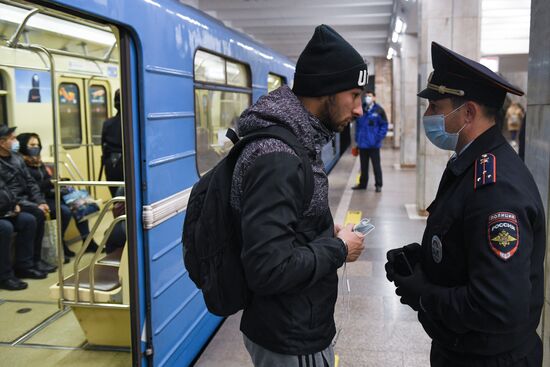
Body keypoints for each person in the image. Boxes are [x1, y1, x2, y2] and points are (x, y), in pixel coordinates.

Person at [385, 42, 545, 367]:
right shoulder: (471, 163)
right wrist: (424, 259)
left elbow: (497, 306)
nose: (427, 116)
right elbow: (465, 239)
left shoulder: (496, 188)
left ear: (468, 112)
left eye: (435, 107)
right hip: (464, 349)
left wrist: (423, 295)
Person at [230, 24, 366, 367]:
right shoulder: (279, 158)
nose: (360, 109)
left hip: (292, 324)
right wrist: (337, 248)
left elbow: (284, 231)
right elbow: (268, 267)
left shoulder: (297, 140)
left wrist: (321, 232)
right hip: (289, 334)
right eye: (355, 95)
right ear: (328, 91)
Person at [16, 133, 99, 260]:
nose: (36, 147)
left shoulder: (38, 161)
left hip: (49, 194)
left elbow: (47, 180)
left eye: (37, 144)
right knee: (64, 211)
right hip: (37, 199)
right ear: (23, 146)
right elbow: (31, 187)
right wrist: (49, 183)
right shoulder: (21, 163)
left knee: (79, 203)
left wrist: (58, 181)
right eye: (32, 145)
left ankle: (88, 240)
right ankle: (60, 243)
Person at [0, 125, 56, 274]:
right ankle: (23, 266)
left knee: (37, 213)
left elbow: (31, 183)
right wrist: (18, 204)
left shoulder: (16, 158)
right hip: (11, 203)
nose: (15, 141)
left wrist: (40, 201)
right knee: (31, 217)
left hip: (21, 201)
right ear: (2, 142)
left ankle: (33, 261)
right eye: (12, 138)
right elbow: (5, 192)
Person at [0, 174, 46, 290]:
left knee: (28, 220)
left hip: (4, 210)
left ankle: (24, 266)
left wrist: (14, 203)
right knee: (5, 227)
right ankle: (4, 276)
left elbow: (6, 189)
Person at [352, 91, 388, 192]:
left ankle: (378, 185)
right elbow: (358, 126)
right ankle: (362, 184)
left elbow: (384, 125)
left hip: (374, 145)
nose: (367, 98)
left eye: (370, 96)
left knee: (376, 166)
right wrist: (357, 140)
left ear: (374, 98)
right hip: (362, 144)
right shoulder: (361, 109)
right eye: (366, 96)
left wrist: (378, 138)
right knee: (363, 166)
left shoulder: (379, 110)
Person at [101, 89, 123, 197]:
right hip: (126, 165)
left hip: (110, 165)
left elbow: (103, 146)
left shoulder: (107, 123)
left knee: (116, 201)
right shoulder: (131, 123)